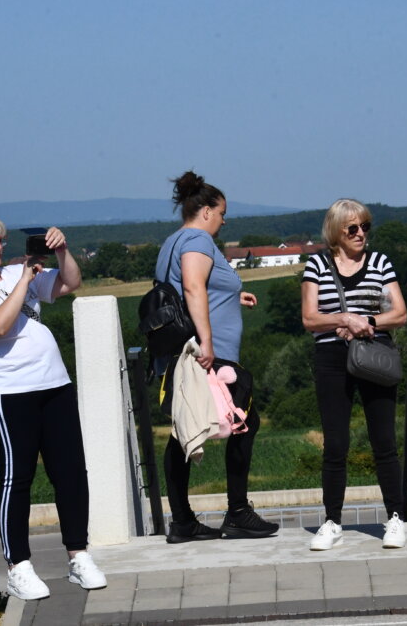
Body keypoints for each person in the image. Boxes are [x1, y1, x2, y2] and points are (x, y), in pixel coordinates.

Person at [0, 213, 106, 600]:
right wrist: (23, 280)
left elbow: (70, 282)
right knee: (16, 479)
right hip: (6, 395)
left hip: (54, 387)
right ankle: (18, 566)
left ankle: (78, 555)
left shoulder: (18, 272)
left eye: (0, 240)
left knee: (71, 474)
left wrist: (62, 251)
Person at [155, 170, 280, 543]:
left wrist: (231, 296)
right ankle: (238, 513)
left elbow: (191, 287)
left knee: (183, 431)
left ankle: (183, 521)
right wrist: (207, 342)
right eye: (222, 213)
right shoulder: (198, 239)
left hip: (182, 352)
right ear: (206, 211)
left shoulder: (172, 241)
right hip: (208, 355)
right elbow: (192, 286)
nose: (224, 221)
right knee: (245, 422)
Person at [301, 198, 407, 551]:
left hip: (374, 354)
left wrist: (368, 321)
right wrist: (344, 319)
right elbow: (310, 318)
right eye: (353, 228)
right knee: (336, 443)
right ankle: (332, 521)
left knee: (384, 441)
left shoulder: (380, 263)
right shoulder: (317, 265)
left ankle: (395, 518)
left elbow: (400, 313)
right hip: (332, 357)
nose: (361, 233)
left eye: (365, 226)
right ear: (336, 232)